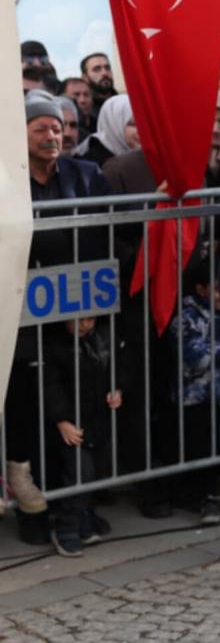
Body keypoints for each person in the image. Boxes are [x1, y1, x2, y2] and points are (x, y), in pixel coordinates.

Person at [10, 95, 111, 546]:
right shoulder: (7, 182)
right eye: (41, 129)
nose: (53, 136)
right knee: (29, 412)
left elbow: (108, 239)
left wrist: (88, 304)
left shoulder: (87, 177)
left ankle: (79, 504)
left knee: (75, 412)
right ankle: (34, 511)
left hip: (76, 319)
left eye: (58, 128)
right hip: (21, 324)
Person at [170, 254, 220, 525]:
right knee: (200, 451)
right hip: (196, 399)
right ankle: (205, 497)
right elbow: (197, 358)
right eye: (217, 289)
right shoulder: (187, 318)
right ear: (201, 289)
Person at [42, 316, 120, 556]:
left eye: (90, 320)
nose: (85, 325)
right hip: (71, 423)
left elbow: (117, 368)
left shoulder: (101, 339)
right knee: (79, 472)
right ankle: (66, 526)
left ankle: (83, 515)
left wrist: (118, 388)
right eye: (79, 321)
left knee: (93, 470)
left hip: (95, 419)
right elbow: (50, 386)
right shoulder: (55, 346)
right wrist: (62, 420)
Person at [72, 94, 139, 166]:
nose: (141, 131)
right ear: (114, 125)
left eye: (143, 125)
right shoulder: (90, 163)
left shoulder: (142, 157)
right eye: (133, 124)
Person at [79, 52, 117, 117]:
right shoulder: (82, 112)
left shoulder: (127, 102)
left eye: (107, 68)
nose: (104, 73)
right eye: (97, 69)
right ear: (85, 78)